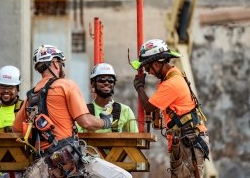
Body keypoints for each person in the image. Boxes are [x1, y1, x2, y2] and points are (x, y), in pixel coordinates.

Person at [12, 44, 114, 178]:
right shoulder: (66, 85)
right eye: (61, 64)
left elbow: (16, 129)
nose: (62, 68)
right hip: (67, 161)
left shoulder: (30, 97)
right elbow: (86, 122)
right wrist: (105, 121)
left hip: (43, 165)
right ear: (54, 63)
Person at [131, 39, 210, 178]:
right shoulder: (173, 76)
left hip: (189, 142)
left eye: (148, 68)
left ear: (156, 64)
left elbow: (148, 107)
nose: (149, 72)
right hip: (185, 139)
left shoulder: (171, 83)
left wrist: (139, 87)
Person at [78, 62, 138, 133]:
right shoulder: (83, 111)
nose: (106, 83)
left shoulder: (125, 111)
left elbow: (136, 140)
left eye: (110, 80)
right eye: (101, 80)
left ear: (114, 84)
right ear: (93, 84)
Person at [0, 65, 23, 178]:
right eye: (2, 87)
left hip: (20, 170)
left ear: (17, 89)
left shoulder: (24, 108)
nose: (6, 91)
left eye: (10, 87)